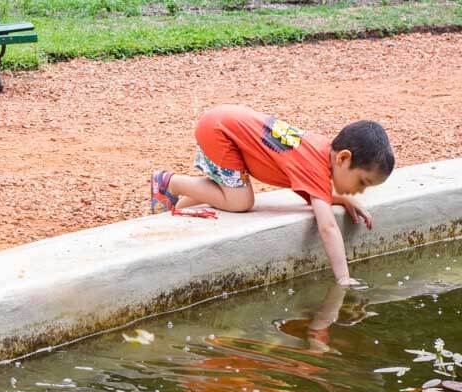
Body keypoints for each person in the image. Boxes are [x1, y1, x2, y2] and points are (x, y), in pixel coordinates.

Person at [151, 104, 395, 286]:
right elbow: (327, 227)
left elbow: (313, 195)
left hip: (222, 124)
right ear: (343, 158)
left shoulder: (319, 151)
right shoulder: (316, 168)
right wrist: (343, 278)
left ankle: (172, 204)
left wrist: (341, 198)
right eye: (362, 182)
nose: (361, 190)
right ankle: (169, 183)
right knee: (240, 201)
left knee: (229, 186)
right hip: (220, 132)